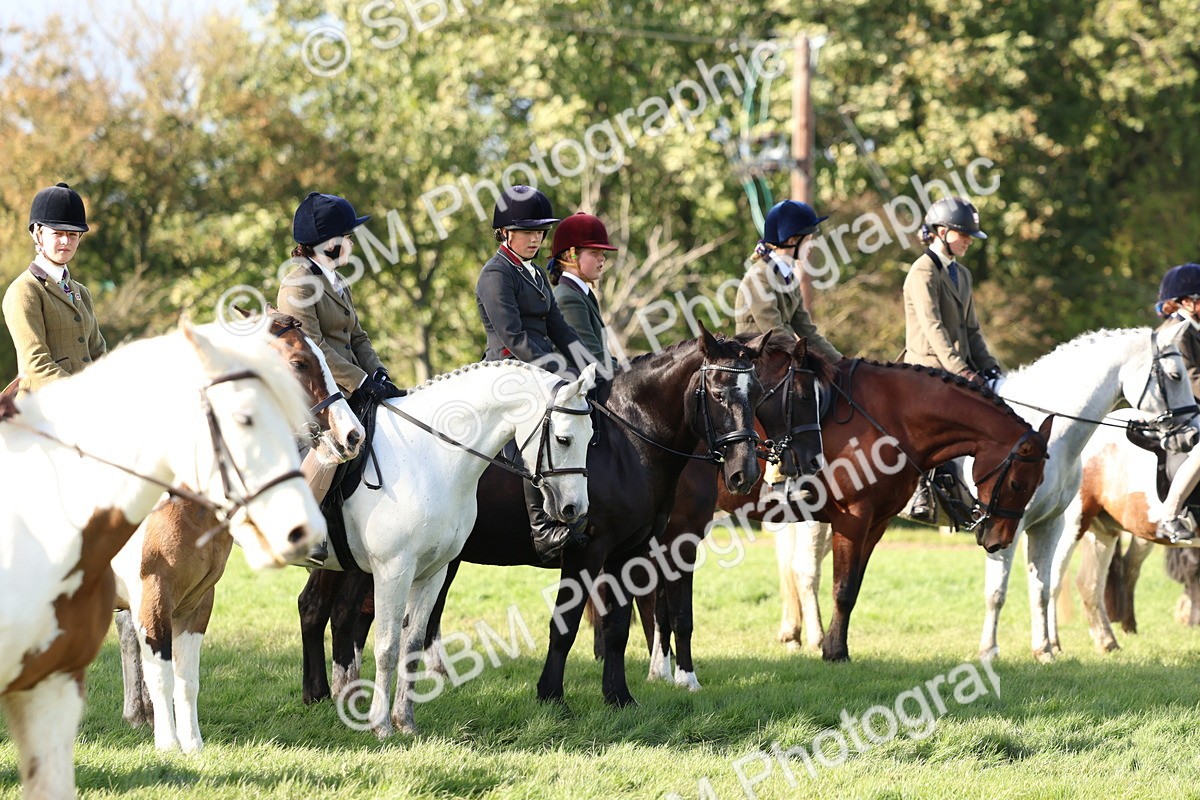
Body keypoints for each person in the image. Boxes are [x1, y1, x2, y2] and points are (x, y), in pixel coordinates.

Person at [277, 191, 403, 561]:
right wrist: (359, 381)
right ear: (327, 245)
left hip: (346, 382)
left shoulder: (337, 281)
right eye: (346, 237)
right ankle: (303, 526)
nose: (350, 243)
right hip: (312, 390)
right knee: (335, 440)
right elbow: (312, 347)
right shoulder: (297, 285)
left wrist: (378, 372)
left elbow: (357, 337)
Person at [475, 184, 588, 562]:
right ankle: (541, 527)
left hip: (540, 369)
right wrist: (558, 372)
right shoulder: (496, 275)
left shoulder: (536, 274)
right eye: (527, 231)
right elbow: (514, 337)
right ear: (505, 233)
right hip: (507, 370)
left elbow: (561, 329)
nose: (536, 238)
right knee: (535, 428)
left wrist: (589, 367)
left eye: (540, 232)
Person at [902, 196, 1000, 522]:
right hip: (927, 367)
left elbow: (972, 329)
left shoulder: (964, 275)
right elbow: (933, 329)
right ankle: (921, 490)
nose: (970, 240)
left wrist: (989, 365)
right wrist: (961, 370)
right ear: (941, 232)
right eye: (964, 234)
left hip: (958, 366)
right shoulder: (922, 271)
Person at [3, 182, 106, 393]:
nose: (66, 241)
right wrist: (85, 394)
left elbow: (98, 352)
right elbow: (36, 364)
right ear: (37, 233)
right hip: (44, 408)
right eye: (57, 233)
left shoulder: (81, 293)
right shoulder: (24, 290)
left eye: (73, 234)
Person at [734, 199, 843, 364]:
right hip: (755, 362)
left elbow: (807, 330)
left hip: (778, 357)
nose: (811, 246)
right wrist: (811, 359)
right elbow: (774, 330)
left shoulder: (789, 276)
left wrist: (841, 362)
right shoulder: (759, 276)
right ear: (792, 241)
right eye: (808, 240)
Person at [1153, 262, 1200, 541]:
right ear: (1186, 302)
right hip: (1179, 409)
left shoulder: (1195, 327)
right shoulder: (1176, 331)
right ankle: (1170, 513)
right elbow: (1191, 378)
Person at [547, 211, 618, 369]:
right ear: (569, 256)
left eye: (602, 253)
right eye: (594, 252)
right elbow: (590, 355)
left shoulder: (580, 293)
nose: (602, 258)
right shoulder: (567, 298)